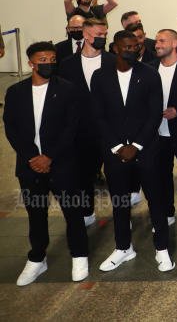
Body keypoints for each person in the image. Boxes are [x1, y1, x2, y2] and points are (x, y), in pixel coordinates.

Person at [3, 42, 90, 286]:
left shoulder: (67, 90)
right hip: (30, 166)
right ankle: (37, 258)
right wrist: (33, 156)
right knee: (36, 213)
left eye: (52, 59)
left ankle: (80, 255)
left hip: (62, 164)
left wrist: (49, 156)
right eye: (43, 59)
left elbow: (71, 127)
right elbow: (11, 128)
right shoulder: (15, 92)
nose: (49, 63)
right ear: (31, 63)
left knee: (73, 212)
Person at [90, 30, 173, 272]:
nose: (131, 50)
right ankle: (123, 248)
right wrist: (118, 146)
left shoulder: (149, 74)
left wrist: (135, 146)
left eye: (135, 46)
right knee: (119, 203)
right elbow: (99, 115)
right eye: (125, 46)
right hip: (114, 152)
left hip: (146, 150)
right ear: (115, 48)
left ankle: (162, 249)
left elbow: (153, 112)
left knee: (156, 201)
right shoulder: (100, 76)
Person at [58, 18, 115, 225]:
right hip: (81, 134)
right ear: (86, 35)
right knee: (83, 177)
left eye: (105, 34)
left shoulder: (113, 61)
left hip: (111, 133)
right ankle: (87, 212)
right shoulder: (67, 65)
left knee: (117, 177)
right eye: (99, 34)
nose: (103, 37)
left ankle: (121, 216)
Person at [148, 29, 177, 232]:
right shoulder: (149, 69)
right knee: (161, 176)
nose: (157, 44)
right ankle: (167, 213)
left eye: (162, 41)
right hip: (157, 135)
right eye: (156, 41)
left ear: (175, 44)